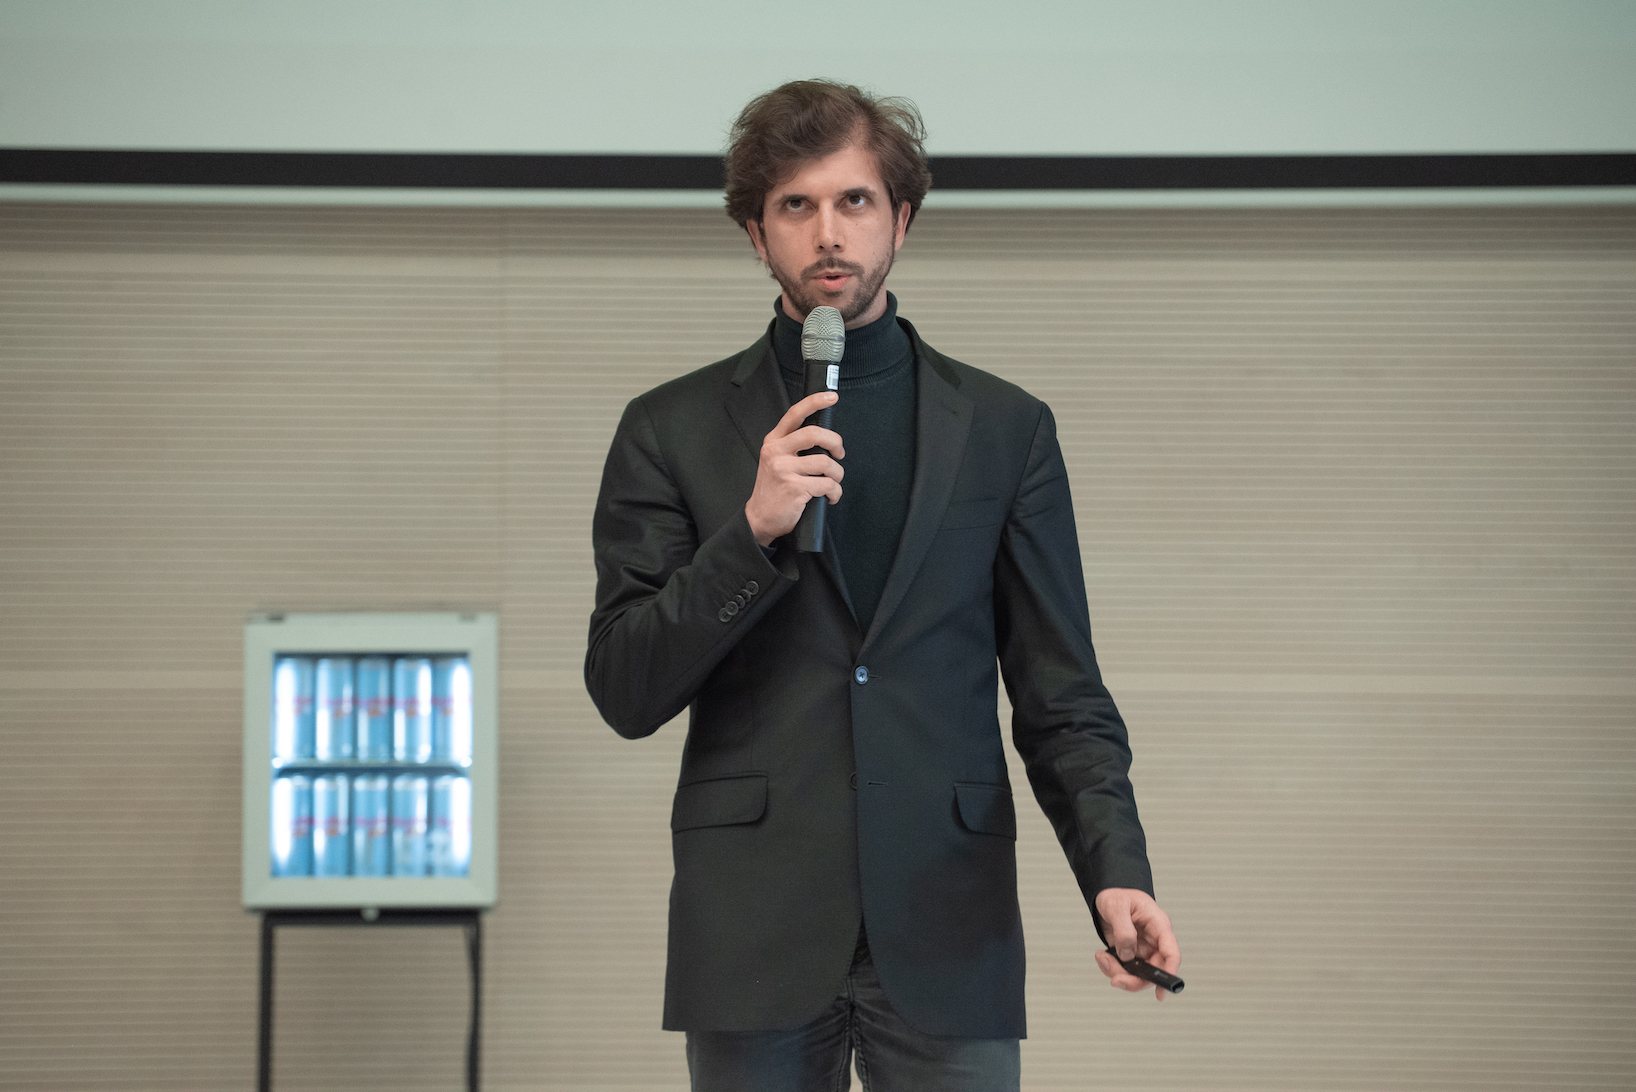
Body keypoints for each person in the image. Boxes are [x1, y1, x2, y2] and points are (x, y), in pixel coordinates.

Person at [585, 79, 1180, 1092]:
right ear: (755, 233)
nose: (828, 232)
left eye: (854, 201)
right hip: (753, 930)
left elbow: (1061, 695)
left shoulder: (1004, 430)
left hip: (948, 923)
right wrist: (751, 533)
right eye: (796, 205)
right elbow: (624, 688)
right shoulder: (667, 428)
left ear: (901, 219)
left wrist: (1115, 870)